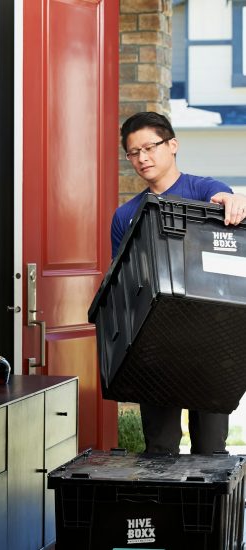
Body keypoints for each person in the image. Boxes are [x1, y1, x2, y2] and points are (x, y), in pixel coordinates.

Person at [112, 111, 246, 455]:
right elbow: (122, 282)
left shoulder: (202, 189)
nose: (142, 158)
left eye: (150, 147)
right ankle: (167, 510)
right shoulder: (126, 215)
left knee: (211, 449)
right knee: (159, 448)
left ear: (172, 145)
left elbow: (224, 198)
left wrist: (232, 201)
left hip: (212, 345)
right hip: (155, 348)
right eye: (133, 152)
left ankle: (212, 511)